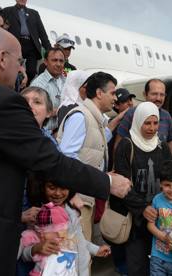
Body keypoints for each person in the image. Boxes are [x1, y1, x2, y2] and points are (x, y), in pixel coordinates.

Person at [0, 26, 130, 276]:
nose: (20, 69)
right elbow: (48, 161)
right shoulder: (2, 100)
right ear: (2, 58)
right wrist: (106, 182)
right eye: (19, 62)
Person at [111, 101, 172, 276]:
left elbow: (170, 178)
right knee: (138, 267)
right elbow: (122, 186)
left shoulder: (162, 146)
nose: (152, 128)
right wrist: (143, 208)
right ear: (138, 121)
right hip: (135, 221)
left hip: (161, 218)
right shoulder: (126, 145)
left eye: (155, 123)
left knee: (161, 266)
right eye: (147, 123)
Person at [57, 71, 117, 243]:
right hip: (77, 200)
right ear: (99, 93)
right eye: (112, 93)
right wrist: (73, 194)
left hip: (85, 198)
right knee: (76, 257)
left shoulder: (92, 118)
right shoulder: (80, 116)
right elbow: (66, 157)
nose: (115, 98)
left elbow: (91, 145)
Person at [20, 179, 111, 276]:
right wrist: (36, 249)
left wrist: (96, 250)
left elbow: (77, 239)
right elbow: (24, 253)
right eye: (52, 188)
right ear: (42, 186)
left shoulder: (71, 210)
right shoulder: (40, 215)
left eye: (63, 188)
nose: (58, 193)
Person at [115, 78, 172, 156]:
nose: (158, 98)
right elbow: (118, 146)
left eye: (162, 95)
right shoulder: (131, 114)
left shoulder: (166, 116)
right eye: (154, 94)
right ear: (145, 94)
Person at [2, 0, 52, 83]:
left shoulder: (34, 13)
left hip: (31, 45)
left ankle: (25, 89)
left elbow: (42, 34)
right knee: (12, 69)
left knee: (32, 71)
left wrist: (50, 51)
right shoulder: (7, 11)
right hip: (15, 44)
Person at [30, 47, 66, 131]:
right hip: (45, 134)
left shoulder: (66, 82)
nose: (58, 64)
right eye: (54, 60)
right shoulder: (38, 84)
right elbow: (34, 112)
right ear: (45, 62)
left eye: (61, 61)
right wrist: (60, 111)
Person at [107, 88, 135, 171]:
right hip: (115, 169)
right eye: (125, 101)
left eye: (130, 99)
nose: (130, 103)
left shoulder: (136, 122)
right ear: (116, 105)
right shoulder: (111, 125)